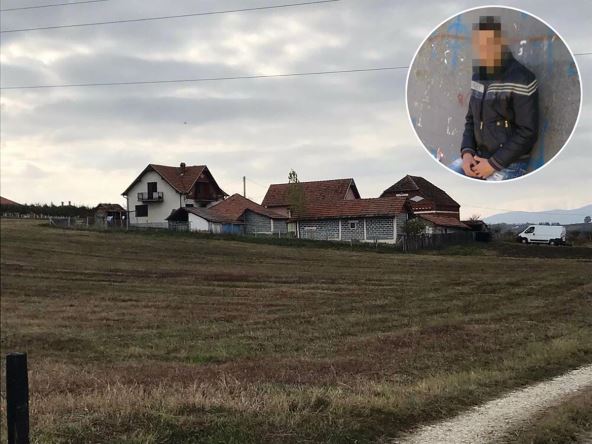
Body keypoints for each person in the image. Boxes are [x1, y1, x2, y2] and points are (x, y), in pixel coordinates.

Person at [449, 15, 539, 181]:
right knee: (448, 179)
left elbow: (528, 132)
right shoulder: (478, 75)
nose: (484, 49)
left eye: (489, 43)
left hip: (509, 163)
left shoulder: (522, 78)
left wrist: (493, 164)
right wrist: (467, 153)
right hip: (478, 157)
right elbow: (471, 119)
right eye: (479, 44)